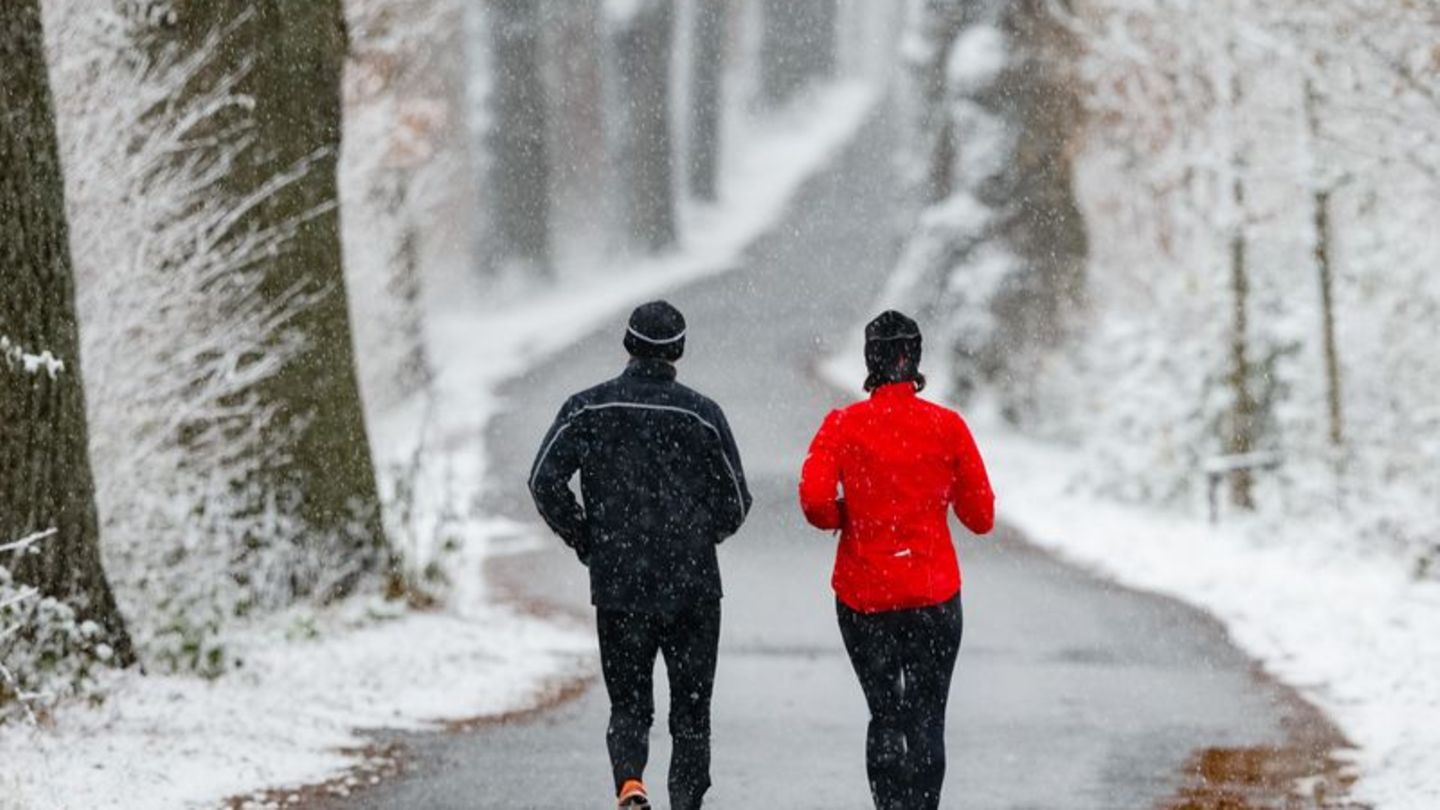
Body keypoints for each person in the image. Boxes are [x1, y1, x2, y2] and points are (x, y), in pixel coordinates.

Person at [529, 300, 752, 810]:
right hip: (693, 586)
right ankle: (685, 802)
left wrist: (587, 539)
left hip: (620, 582)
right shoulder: (703, 414)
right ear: (678, 350)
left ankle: (630, 784)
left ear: (628, 345)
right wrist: (700, 536)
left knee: (628, 706)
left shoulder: (587, 409)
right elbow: (737, 500)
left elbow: (544, 481)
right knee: (691, 713)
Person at [798, 310, 995, 810]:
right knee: (929, 717)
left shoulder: (842, 425)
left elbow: (815, 503)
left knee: (885, 714)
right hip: (934, 595)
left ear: (870, 359)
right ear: (917, 358)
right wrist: (934, 496)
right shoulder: (947, 427)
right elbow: (981, 517)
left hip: (865, 598)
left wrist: (850, 514)